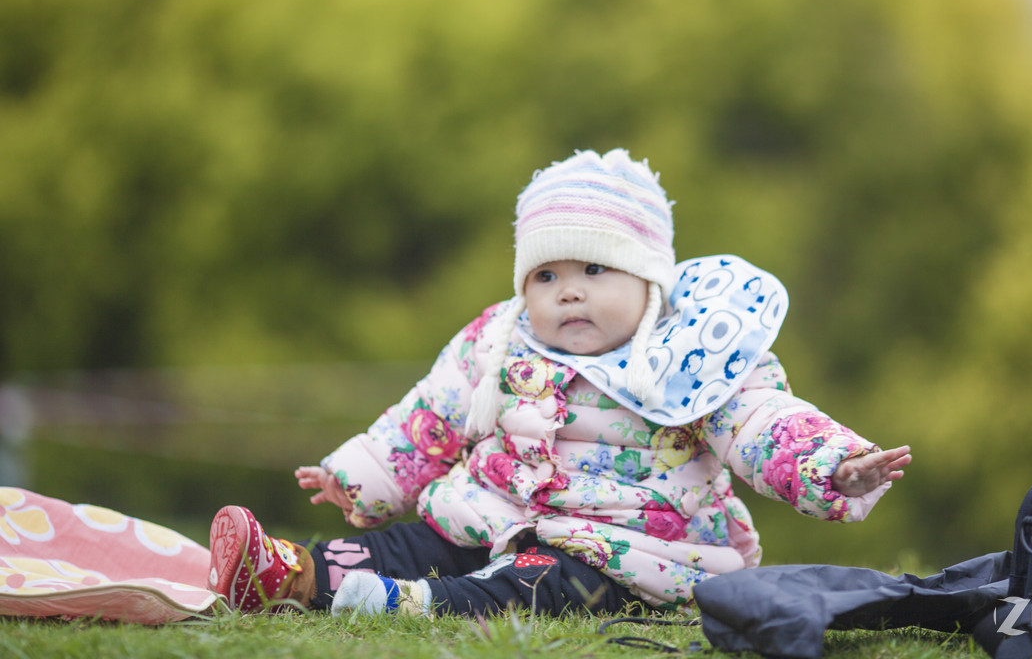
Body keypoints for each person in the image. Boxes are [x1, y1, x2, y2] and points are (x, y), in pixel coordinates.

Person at [207, 148, 912, 618]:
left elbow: (761, 419)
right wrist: (357, 476)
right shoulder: (500, 338)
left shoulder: (687, 352)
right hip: (491, 513)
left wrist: (832, 465)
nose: (569, 293)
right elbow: (432, 414)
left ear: (648, 279)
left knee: (541, 586)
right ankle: (293, 572)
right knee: (414, 542)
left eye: (594, 271)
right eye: (547, 275)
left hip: (626, 552)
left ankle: (409, 604)